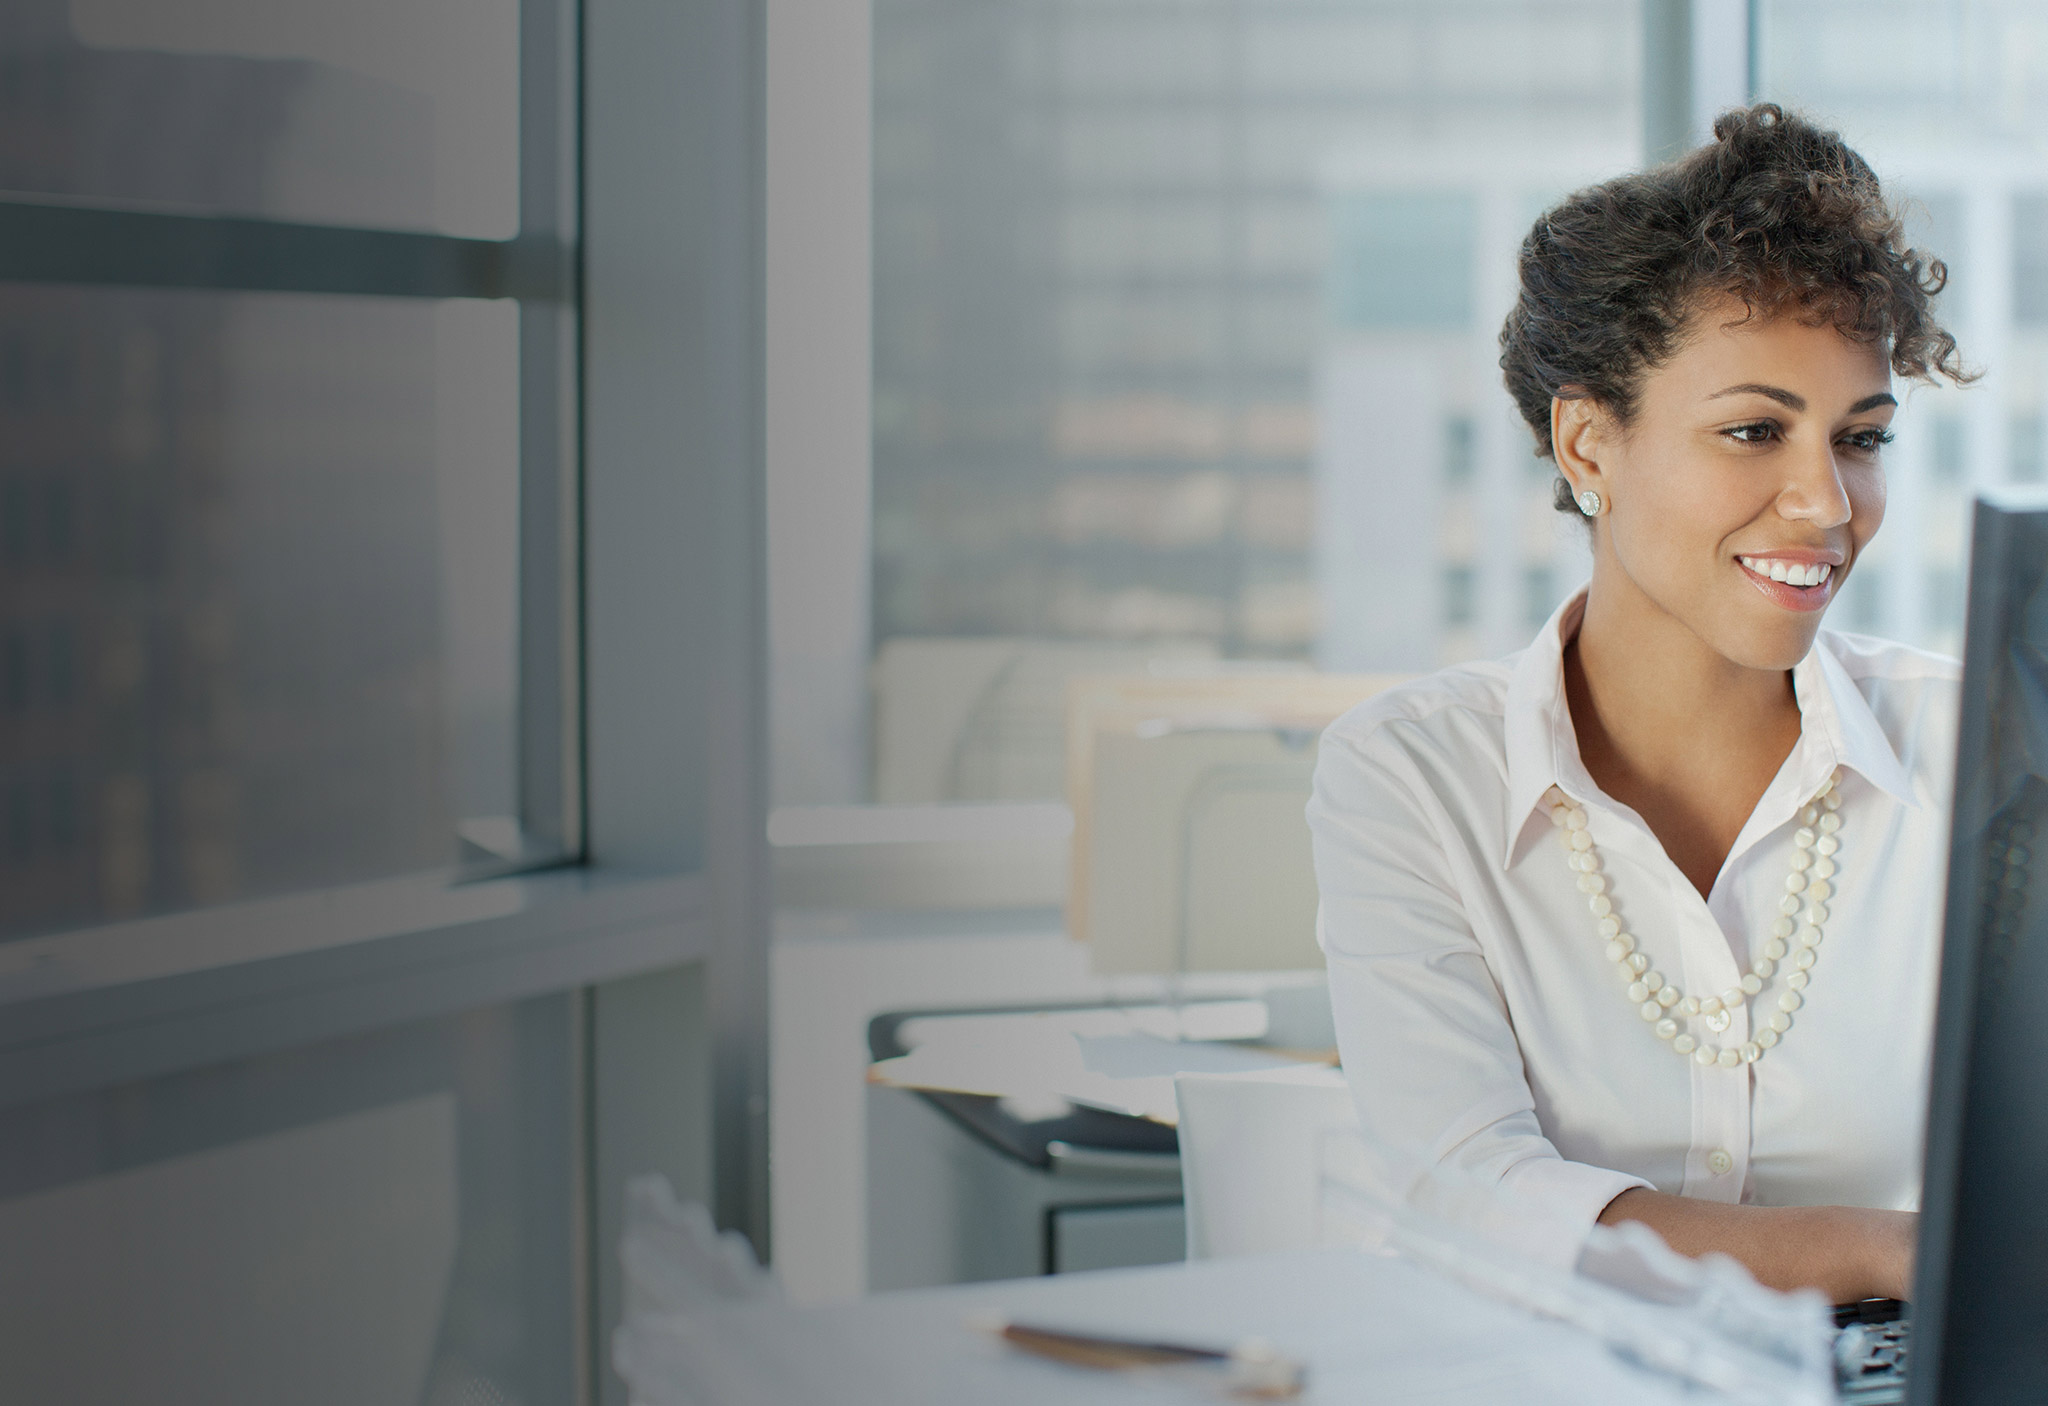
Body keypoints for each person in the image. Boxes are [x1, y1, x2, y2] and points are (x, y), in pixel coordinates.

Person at [1307, 103, 1971, 1304]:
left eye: (1858, 437)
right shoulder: (1410, 775)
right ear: (1585, 445)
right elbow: (1466, 1190)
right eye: (1752, 430)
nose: (1823, 502)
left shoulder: (1977, 751)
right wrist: (1905, 1250)